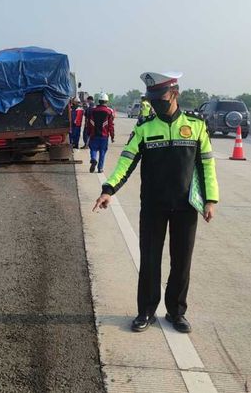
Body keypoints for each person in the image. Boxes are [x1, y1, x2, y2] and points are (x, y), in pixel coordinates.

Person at [92, 71, 218, 334]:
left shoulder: (195, 125)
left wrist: (210, 200)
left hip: (186, 208)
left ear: (175, 93)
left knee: (181, 262)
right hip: (153, 206)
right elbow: (126, 161)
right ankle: (146, 312)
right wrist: (108, 189)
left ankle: (176, 312)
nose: (155, 102)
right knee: (150, 261)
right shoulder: (144, 128)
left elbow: (206, 164)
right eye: (152, 98)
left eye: (159, 97)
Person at [86, 93, 115, 173]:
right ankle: (100, 168)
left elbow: (89, 123)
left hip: (94, 135)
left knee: (93, 149)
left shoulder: (93, 111)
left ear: (99, 101)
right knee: (102, 152)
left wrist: (88, 133)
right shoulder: (109, 112)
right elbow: (110, 125)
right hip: (104, 136)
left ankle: (93, 159)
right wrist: (112, 136)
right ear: (106, 101)